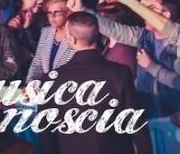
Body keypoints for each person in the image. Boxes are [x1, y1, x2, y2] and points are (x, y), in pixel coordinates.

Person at [38, 11, 151, 154]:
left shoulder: (50, 80)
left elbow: (47, 137)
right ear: (98, 35)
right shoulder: (119, 73)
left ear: (71, 39)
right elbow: (136, 125)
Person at [25, 0, 75, 81]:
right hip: (43, 85)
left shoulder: (75, 35)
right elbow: (37, 64)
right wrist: (30, 84)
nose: (52, 16)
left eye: (57, 12)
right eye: (49, 13)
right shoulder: (46, 32)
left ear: (68, 13)